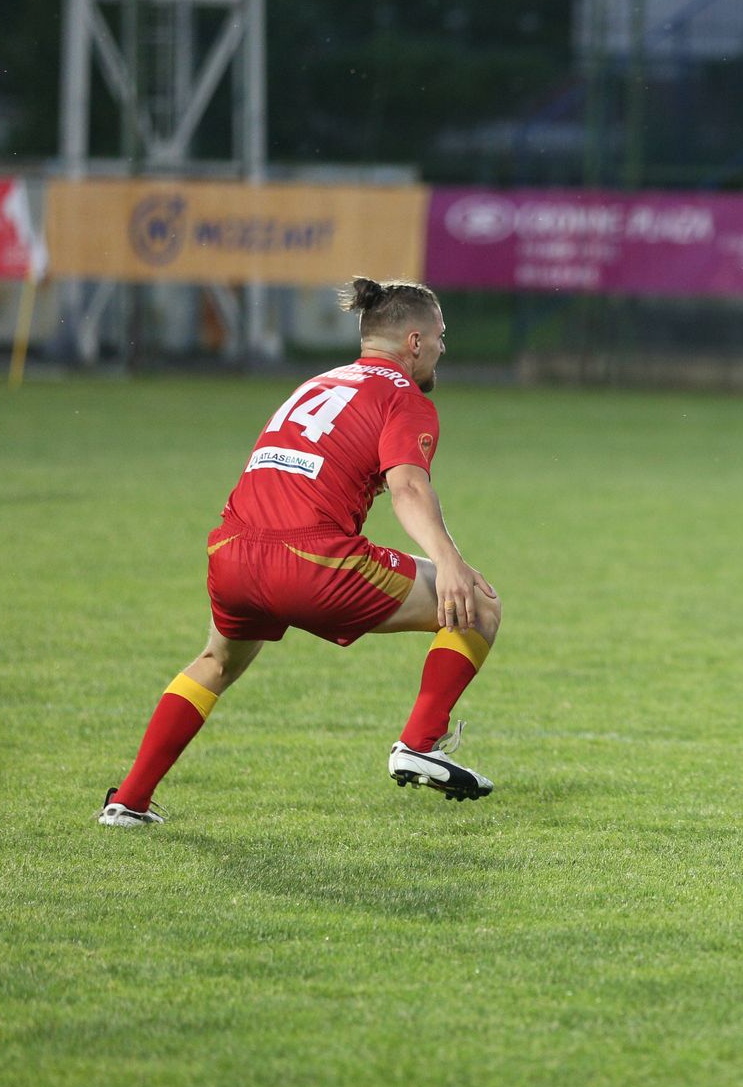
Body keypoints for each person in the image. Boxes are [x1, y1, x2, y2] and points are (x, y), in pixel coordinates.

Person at [98, 277, 502, 825]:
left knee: (216, 661)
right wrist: (450, 560)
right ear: (414, 342)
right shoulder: (402, 397)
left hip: (234, 552)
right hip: (312, 561)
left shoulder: (317, 383)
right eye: (440, 335)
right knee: (478, 604)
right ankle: (420, 744)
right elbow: (407, 488)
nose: (442, 347)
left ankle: (129, 799)